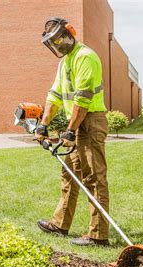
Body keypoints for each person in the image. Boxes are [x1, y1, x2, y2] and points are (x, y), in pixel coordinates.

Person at [35, 17, 110, 246]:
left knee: (94, 177)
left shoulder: (85, 57)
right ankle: (60, 224)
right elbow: (55, 95)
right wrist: (43, 124)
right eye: (53, 42)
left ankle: (98, 235)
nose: (58, 45)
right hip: (75, 123)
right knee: (69, 173)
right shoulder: (65, 62)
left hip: (89, 121)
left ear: (70, 33)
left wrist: (70, 131)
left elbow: (83, 99)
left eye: (60, 39)